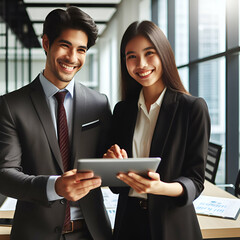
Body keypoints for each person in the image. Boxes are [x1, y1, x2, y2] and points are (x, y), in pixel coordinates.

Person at [0, 7, 113, 240]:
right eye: (65, 45)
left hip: (91, 233)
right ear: (46, 43)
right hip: (34, 233)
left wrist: (113, 163)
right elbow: (5, 175)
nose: (72, 58)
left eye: (81, 49)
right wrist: (55, 186)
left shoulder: (99, 104)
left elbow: (107, 165)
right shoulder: (11, 106)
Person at [104, 20, 211, 240]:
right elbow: (116, 187)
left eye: (149, 53)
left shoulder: (191, 108)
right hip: (128, 224)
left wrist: (160, 187)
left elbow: (196, 181)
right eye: (131, 56)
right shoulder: (123, 111)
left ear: (164, 54)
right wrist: (112, 163)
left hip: (172, 224)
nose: (141, 64)